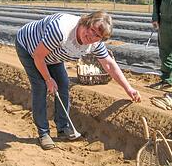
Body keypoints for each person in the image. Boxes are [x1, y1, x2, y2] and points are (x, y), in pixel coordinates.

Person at [15, 11, 141, 150]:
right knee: (40, 86)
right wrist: (48, 79)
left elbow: (109, 64)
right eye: (92, 30)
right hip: (29, 48)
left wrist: (128, 88)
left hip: (54, 54)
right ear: (85, 22)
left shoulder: (95, 44)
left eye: (97, 36)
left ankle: (63, 128)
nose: (91, 36)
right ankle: (43, 133)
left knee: (63, 84)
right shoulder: (61, 30)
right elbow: (38, 56)